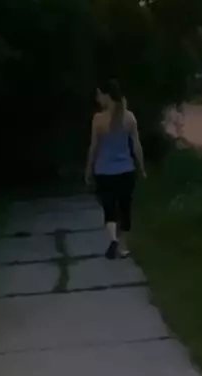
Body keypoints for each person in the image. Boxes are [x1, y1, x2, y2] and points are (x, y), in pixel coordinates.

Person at [84, 79, 146, 259]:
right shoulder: (129, 118)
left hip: (104, 171)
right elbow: (136, 146)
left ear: (106, 96)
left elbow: (93, 147)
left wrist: (88, 169)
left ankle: (113, 239)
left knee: (109, 208)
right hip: (126, 170)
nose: (97, 98)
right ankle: (123, 247)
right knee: (125, 208)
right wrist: (141, 167)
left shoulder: (98, 120)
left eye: (99, 94)